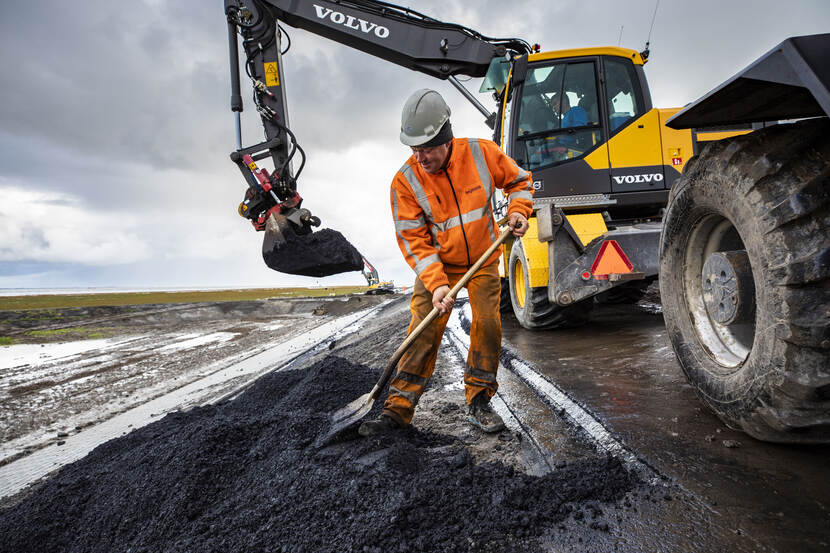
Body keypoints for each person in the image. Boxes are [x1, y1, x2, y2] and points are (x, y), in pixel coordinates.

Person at [358, 89, 533, 437]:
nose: (420, 157)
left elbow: (518, 181)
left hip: (483, 258)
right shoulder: (405, 182)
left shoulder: (481, 154)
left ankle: (480, 401)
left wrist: (517, 211)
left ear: (446, 139)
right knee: (422, 331)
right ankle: (397, 410)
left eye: (426, 149)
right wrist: (438, 285)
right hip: (438, 266)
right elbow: (414, 241)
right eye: (413, 150)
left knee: (487, 325)